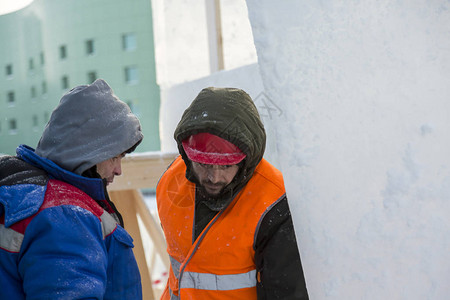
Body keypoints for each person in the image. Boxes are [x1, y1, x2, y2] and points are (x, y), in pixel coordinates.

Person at [156, 87, 309, 299]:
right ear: (188, 156)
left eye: (226, 166)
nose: (214, 177)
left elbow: (287, 293)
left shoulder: (274, 203)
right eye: (203, 164)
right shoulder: (170, 182)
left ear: (246, 160)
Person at [0, 79, 143, 299]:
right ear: (88, 154)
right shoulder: (65, 216)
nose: (118, 170)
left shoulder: (22, 187)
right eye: (114, 157)